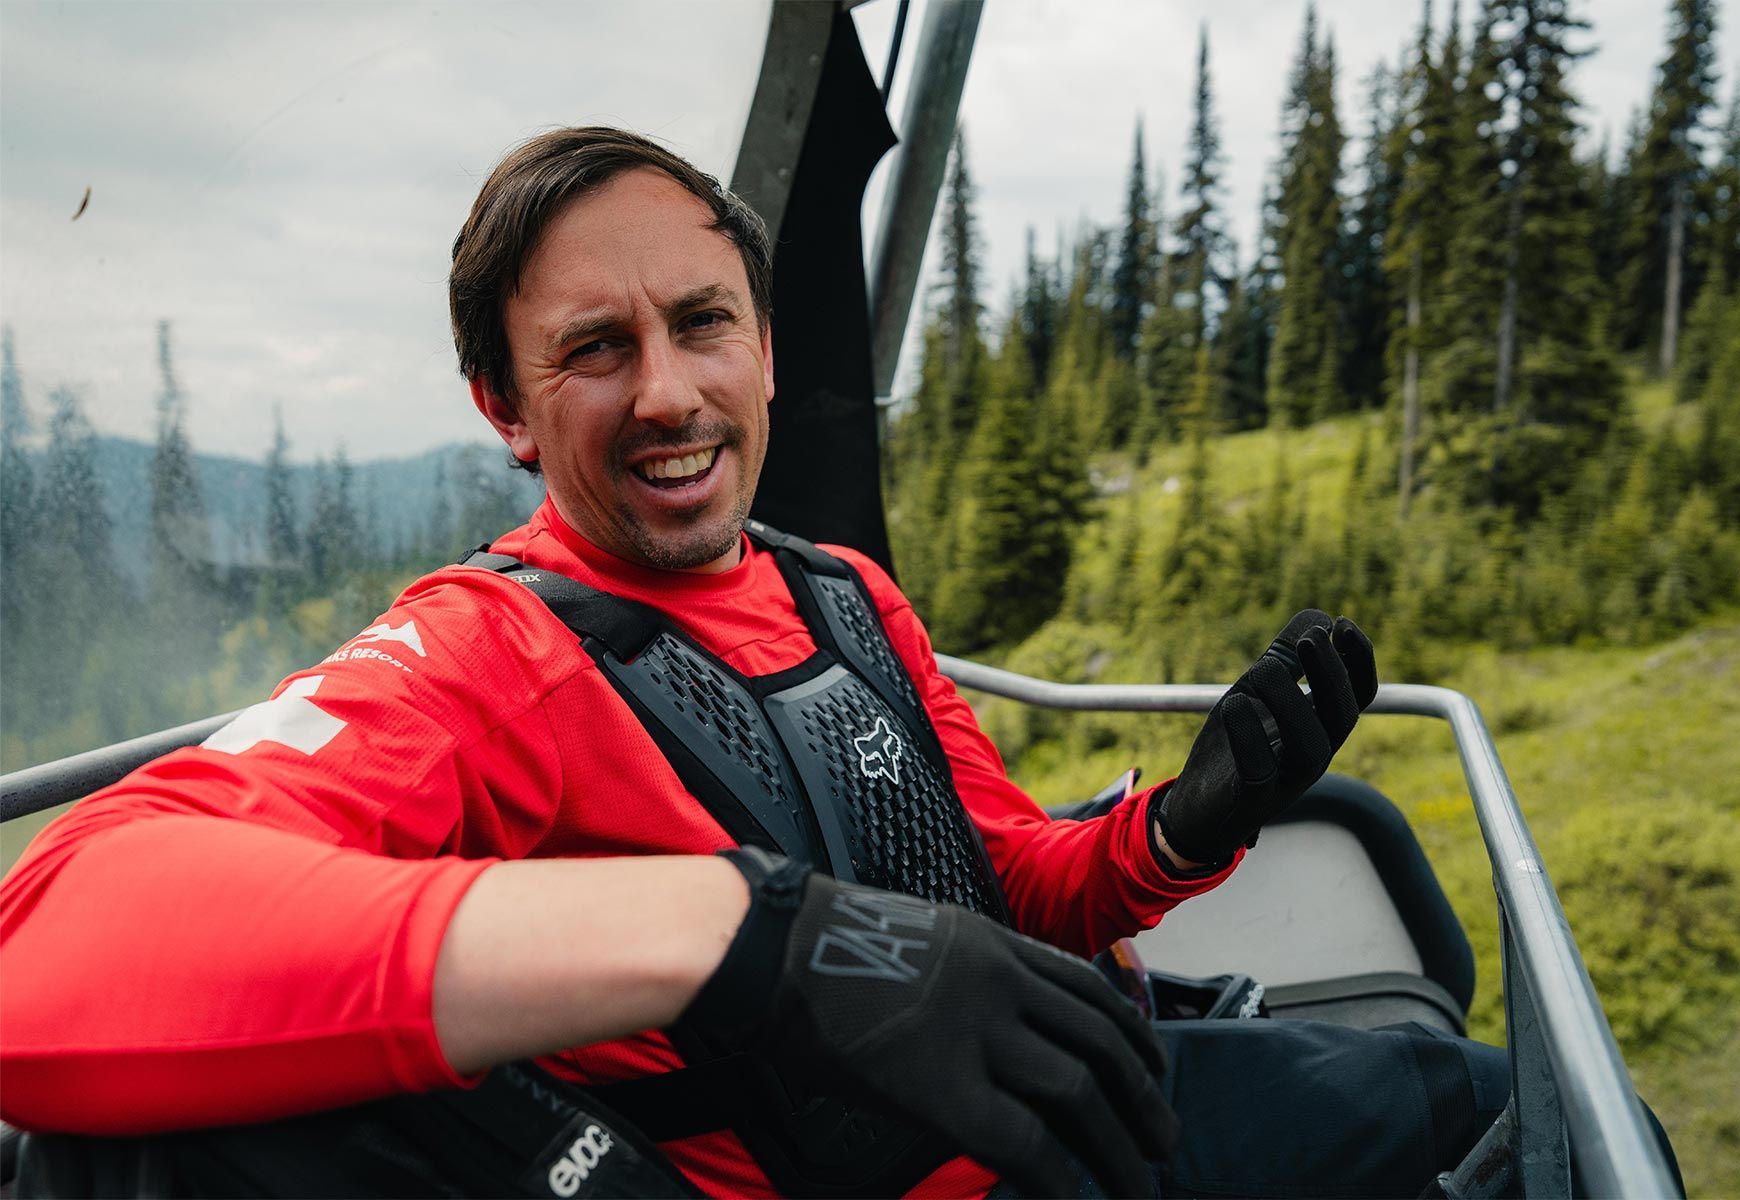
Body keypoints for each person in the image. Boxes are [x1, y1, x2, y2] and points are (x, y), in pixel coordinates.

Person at [2, 127, 1528, 1199]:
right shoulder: (483, 654)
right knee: (1498, 1118)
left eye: (701, 323)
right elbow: (46, 943)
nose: (666, 392)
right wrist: (749, 932)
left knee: (1499, 1108)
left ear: (766, 351)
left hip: (1065, 1106)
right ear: (507, 409)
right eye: (595, 348)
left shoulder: (842, 593)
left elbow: (1009, 882)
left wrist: (1180, 828)